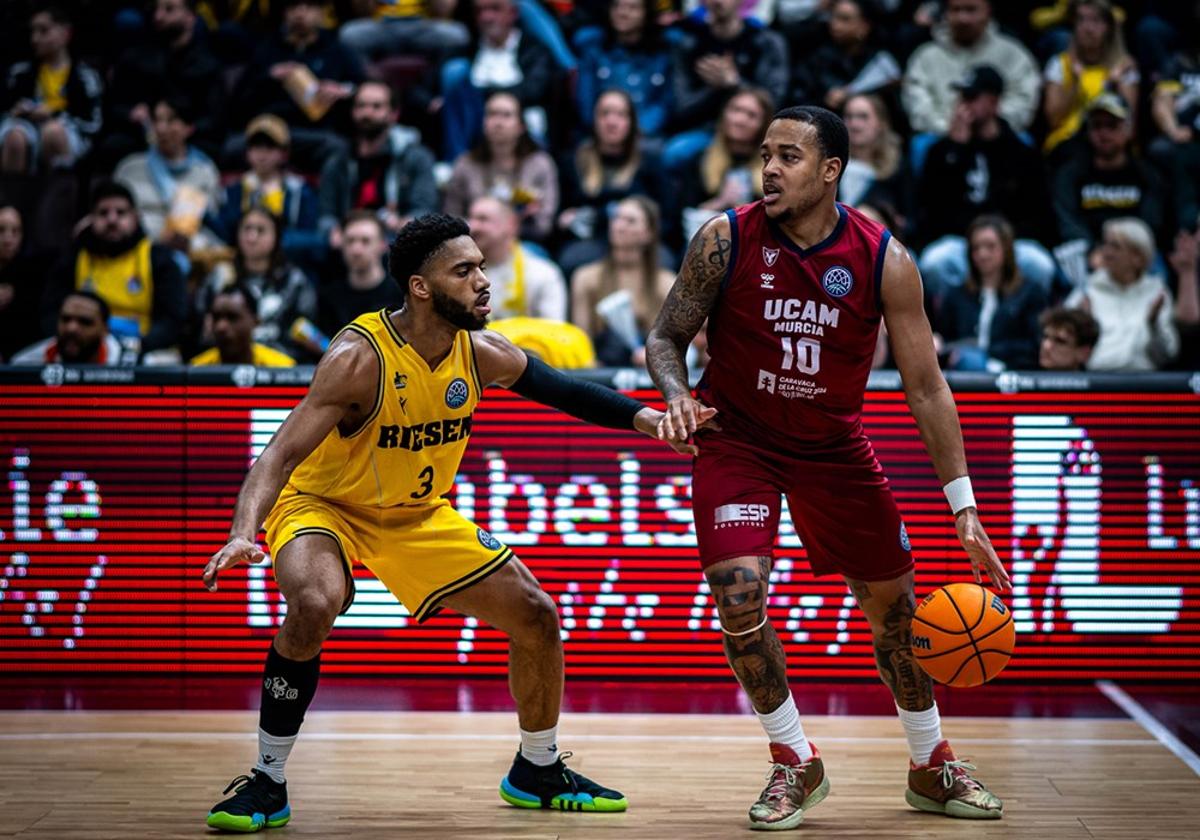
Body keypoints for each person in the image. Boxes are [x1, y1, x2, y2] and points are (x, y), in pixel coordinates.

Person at [200, 212, 703, 831]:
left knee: (538, 616)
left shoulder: (481, 351)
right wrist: (243, 533)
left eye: (482, 267)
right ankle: (266, 781)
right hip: (325, 506)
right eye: (464, 271)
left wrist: (651, 422)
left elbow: (567, 391)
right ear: (420, 287)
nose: (482, 281)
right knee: (314, 599)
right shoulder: (358, 357)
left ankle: (537, 768)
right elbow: (276, 455)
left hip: (416, 516)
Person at [645, 105, 1010, 830]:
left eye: (789, 156)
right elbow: (665, 336)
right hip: (737, 440)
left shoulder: (884, 259)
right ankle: (792, 760)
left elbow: (927, 386)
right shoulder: (724, 239)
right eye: (765, 155)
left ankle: (931, 762)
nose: (770, 169)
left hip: (834, 449)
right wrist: (678, 397)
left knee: (896, 616)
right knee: (738, 598)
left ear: (831, 170)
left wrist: (964, 507)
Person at [43, 181, 187, 354]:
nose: (112, 220)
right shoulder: (73, 258)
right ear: (91, 219)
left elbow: (172, 320)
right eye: (103, 213)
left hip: (143, 350)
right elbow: (49, 314)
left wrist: (139, 345)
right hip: (82, 348)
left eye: (121, 213)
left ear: (136, 217)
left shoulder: (158, 258)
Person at [235, 0, 366, 171]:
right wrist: (269, 76)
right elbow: (239, 99)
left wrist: (343, 90)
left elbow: (363, 87)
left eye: (308, 7)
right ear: (284, 13)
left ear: (321, 14)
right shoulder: (267, 48)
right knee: (232, 148)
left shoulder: (337, 49)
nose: (300, 14)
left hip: (314, 132)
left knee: (338, 148)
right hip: (267, 130)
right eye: (293, 7)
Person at [103, 0, 226, 165]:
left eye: (169, 9)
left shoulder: (207, 64)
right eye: (156, 9)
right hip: (141, 136)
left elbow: (215, 117)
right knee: (113, 145)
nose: (159, 16)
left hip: (190, 139)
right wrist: (131, 113)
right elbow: (114, 105)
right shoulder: (134, 58)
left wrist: (185, 128)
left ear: (190, 17)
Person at [317, 81, 439, 247]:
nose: (367, 113)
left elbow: (424, 210)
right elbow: (326, 213)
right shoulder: (338, 161)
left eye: (376, 106)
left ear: (394, 114)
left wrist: (403, 223)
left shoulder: (415, 157)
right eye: (361, 106)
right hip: (347, 241)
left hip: (395, 240)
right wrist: (333, 230)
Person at [902, 0, 1039, 144]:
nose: (963, 18)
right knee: (921, 144)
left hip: (999, 136)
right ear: (946, 13)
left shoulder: (1013, 54)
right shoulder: (925, 56)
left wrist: (989, 126)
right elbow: (918, 106)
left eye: (971, 10)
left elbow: (1023, 102)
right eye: (956, 10)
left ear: (988, 12)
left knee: (1023, 141)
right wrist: (951, 127)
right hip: (940, 137)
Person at [196, 208, 318, 361]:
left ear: (276, 237)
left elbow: (304, 333)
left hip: (280, 366)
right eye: (247, 229)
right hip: (225, 363)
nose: (252, 237)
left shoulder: (294, 281)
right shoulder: (220, 275)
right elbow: (201, 325)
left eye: (261, 231)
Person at [1052, 93, 1167, 252]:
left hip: (1135, 253)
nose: (1103, 133)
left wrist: (1120, 253)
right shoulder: (1070, 175)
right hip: (1087, 252)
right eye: (1097, 125)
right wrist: (1094, 251)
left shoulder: (1147, 175)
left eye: (1112, 125)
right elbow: (1068, 222)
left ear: (1128, 130)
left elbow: (1151, 223)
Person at [932, 216, 1047, 371]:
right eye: (976, 248)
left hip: (1012, 370)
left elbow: (1034, 345)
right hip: (964, 372)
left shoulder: (1030, 292)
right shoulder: (956, 294)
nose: (982, 254)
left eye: (990, 246)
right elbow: (945, 337)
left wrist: (987, 351)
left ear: (1006, 249)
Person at [442, 92, 559, 244]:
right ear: (483, 122)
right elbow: (451, 218)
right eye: (491, 114)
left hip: (523, 244)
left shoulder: (540, 164)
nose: (498, 122)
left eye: (506, 115)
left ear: (521, 125)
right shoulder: (465, 164)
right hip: (473, 243)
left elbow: (544, 225)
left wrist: (514, 225)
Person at [1065, 216, 1179, 371]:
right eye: (1105, 244)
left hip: (1144, 386)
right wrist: (1082, 326)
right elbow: (1062, 343)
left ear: (1138, 257)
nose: (1106, 252)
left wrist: (1154, 325)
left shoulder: (1157, 293)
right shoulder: (1087, 291)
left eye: (1115, 246)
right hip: (1095, 384)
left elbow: (1167, 355)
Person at [571, 196, 675, 366]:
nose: (619, 226)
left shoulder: (666, 283)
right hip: (599, 375)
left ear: (649, 233)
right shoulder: (585, 278)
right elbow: (581, 342)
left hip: (651, 373)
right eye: (616, 218)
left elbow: (675, 345)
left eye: (630, 221)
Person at [0, 5, 103, 174]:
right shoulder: (19, 73)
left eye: (43, 31)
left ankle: (57, 199)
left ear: (65, 33)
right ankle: (10, 199)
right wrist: (16, 112)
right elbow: (5, 110)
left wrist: (54, 115)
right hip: (27, 128)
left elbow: (93, 124)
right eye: (33, 32)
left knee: (53, 132)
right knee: (14, 137)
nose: (35, 39)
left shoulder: (85, 76)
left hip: (67, 133)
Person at [114, 95, 222, 254]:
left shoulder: (205, 172)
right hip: (136, 251)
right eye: (157, 120)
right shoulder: (129, 168)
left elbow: (212, 221)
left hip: (189, 250)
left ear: (189, 128)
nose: (161, 128)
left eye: (171, 120)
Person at [216, 114, 323, 266]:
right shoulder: (233, 190)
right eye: (256, 146)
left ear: (284, 153)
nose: (262, 154)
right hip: (242, 265)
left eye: (270, 147)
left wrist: (276, 239)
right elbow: (226, 233)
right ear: (247, 152)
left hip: (288, 265)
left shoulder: (300, 191)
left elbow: (313, 237)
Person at [1041, 0, 1138, 158]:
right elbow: (1054, 121)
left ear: (1109, 27)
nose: (1087, 28)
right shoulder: (1059, 64)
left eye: (1096, 20)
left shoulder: (1124, 66)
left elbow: (1130, 127)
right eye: (1081, 20)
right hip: (1067, 144)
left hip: (1112, 145)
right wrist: (1075, 83)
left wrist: (1115, 84)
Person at [678, 87, 773, 243]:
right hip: (706, 243)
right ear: (723, 115)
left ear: (763, 124)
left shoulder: (772, 167)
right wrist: (722, 202)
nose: (740, 120)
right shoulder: (699, 160)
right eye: (735, 110)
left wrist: (744, 209)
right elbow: (684, 217)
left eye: (751, 115)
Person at [573, 0, 674, 137]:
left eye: (632, 7)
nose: (622, 13)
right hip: (600, 136)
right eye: (616, 5)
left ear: (646, 13)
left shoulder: (662, 54)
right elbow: (586, 103)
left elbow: (665, 104)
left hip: (645, 136)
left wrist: (637, 130)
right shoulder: (593, 50)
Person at [466, 196, 567, 320]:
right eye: (470, 218)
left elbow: (554, 333)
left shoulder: (543, 274)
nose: (472, 226)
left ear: (511, 224)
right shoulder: (459, 275)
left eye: (483, 219)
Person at [789, 0, 900, 112]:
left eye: (845, 19)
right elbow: (799, 99)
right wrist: (823, 100)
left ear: (864, 27)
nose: (835, 25)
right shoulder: (817, 58)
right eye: (833, 17)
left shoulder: (880, 62)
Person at [316, 211, 403, 338]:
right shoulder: (328, 297)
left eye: (365, 241)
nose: (356, 250)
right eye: (350, 241)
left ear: (382, 245)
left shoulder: (401, 296)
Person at [839, 94, 908, 225]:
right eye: (849, 117)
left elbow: (910, 218)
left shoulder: (897, 166)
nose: (854, 124)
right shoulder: (831, 162)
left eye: (863, 117)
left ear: (880, 123)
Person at [190, 283, 298, 367]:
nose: (221, 326)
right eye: (216, 317)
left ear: (256, 321)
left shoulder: (283, 368)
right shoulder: (197, 368)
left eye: (232, 317)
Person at [12, 290, 129, 365]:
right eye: (65, 319)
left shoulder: (132, 362)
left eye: (85, 322)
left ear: (105, 329)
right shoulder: (26, 363)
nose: (71, 328)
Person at [0, 205, 46, 361]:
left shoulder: (34, 272)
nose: (8, 239)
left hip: (21, 356)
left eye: (15, 231)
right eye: (1, 230)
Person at [1038, 305, 1100, 371]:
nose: (1046, 346)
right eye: (1045, 337)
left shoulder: (1100, 381)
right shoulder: (1027, 375)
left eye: (1060, 341)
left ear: (1084, 353)